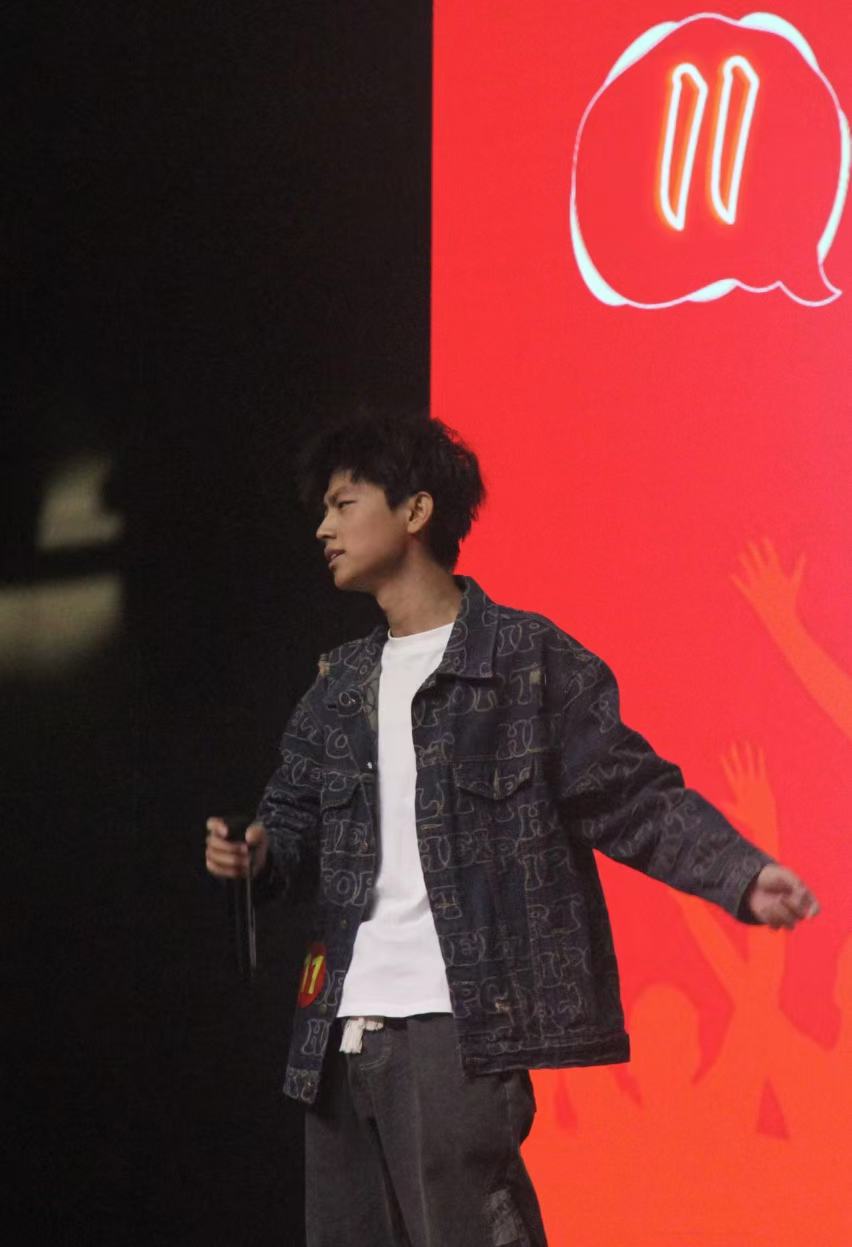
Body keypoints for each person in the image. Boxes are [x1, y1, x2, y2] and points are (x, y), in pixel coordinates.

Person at [205, 411, 819, 1247]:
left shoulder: (527, 661)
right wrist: (257, 851)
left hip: (458, 1028)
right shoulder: (338, 684)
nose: (324, 527)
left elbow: (631, 795)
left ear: (416, 510)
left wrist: (738, 873)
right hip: (338, 1030)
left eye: (344, 504)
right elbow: (290, 820)